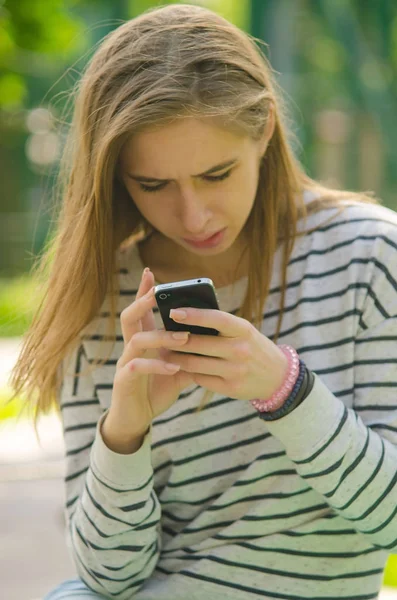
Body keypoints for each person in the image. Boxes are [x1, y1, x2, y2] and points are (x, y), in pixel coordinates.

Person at [9, 4, 397, 600]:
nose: (193, 217)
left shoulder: (371, 257)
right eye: (153, 185)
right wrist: (125, 433)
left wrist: (284, 389)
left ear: (264, 129)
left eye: (217, 174)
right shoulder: (102, 296)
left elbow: (389, 523)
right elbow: (109, 576)